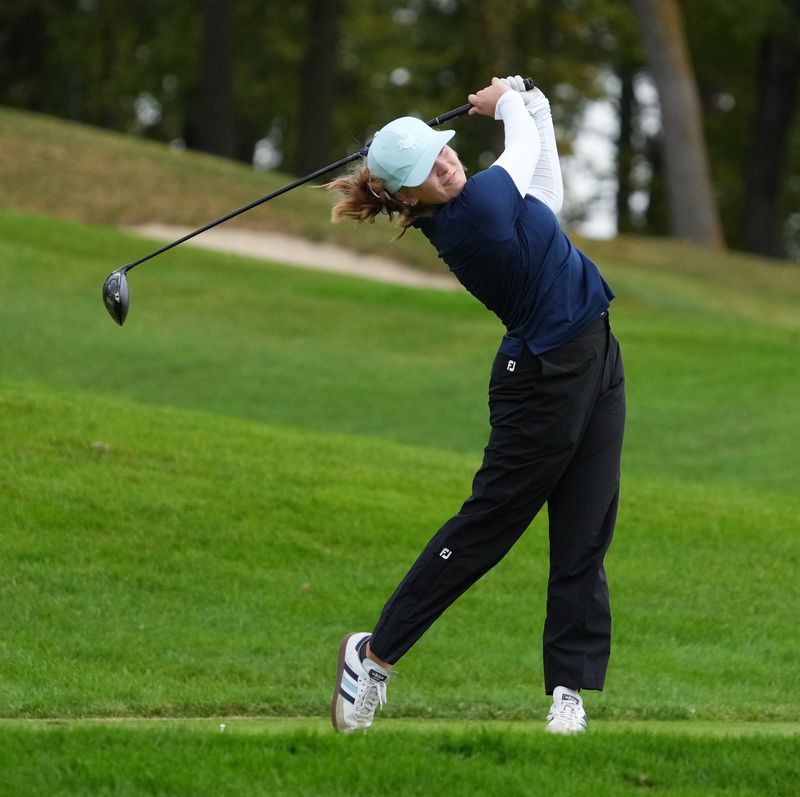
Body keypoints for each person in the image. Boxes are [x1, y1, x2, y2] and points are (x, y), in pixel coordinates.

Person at [326, 76, 625, 735]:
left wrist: (538, 106)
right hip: (542, 380)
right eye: (425, 170)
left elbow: (545, 196)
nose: (445, 162)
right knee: (487, 530)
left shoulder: (483, 199)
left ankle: (567, 692)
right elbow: (517, 152)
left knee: (586, 526)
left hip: (596, 354)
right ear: (406, 196)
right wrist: (510, 101)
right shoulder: (475, 211)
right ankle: (372, 657)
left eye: (441, 150)